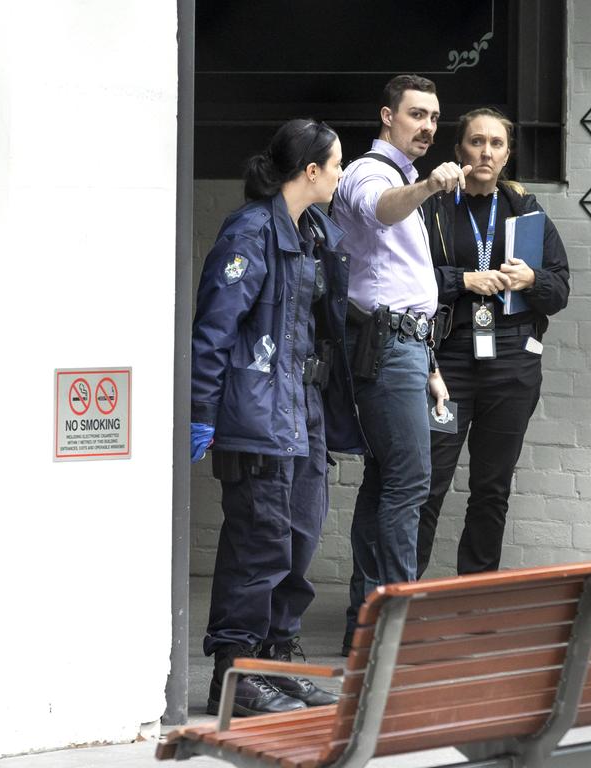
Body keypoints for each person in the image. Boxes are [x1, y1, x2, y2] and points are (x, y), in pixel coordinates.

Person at [190, 119, 361, 716]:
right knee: (258, 548)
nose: (342, 176)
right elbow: (213, 330)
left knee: (300, 541)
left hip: (302, 414)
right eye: (337, 164)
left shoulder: (313, 232)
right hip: (256, 414)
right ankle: (234, 678)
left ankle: (273, 663)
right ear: (310, 171)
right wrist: (200, 412)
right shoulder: (250, 232)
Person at [331, 74, 466, 654]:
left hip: (406, 346)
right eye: (416, 114)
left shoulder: (405, 179)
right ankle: (396, 625)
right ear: (388, 116)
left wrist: (432, 367)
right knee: (409, 481)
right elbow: (380, 211)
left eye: (434, 117)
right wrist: (428, 188)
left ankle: (369, 621)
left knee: (388, 479)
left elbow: (404, 285)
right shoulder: (372, 173)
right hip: (388, 347)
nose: (428, 126)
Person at [417, 107, 569, 577]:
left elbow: (560, 290)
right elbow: (406, 282)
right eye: (476, 142)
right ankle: (401, 598)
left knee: (491, 488)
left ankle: (476, 595)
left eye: (496, 144)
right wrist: (463, 279)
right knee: (428, 483)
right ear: (459, 149)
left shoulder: (527, 211)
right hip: (448, 364)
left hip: (511, 364)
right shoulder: (433, 208)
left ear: (508, 154)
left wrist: (532, 279)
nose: (486, 152)